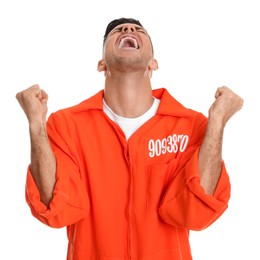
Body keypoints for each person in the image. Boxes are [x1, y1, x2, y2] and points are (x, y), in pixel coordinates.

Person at [16, 17, 243, 260]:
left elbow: (197, 213)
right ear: (101, 64)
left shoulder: (190, 126)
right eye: (117, 30)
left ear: (153, 63)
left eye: (138, 30)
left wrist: (217, 123)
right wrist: (36, 124)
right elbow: (55, 208)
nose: (128, 29)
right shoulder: (66, 126)